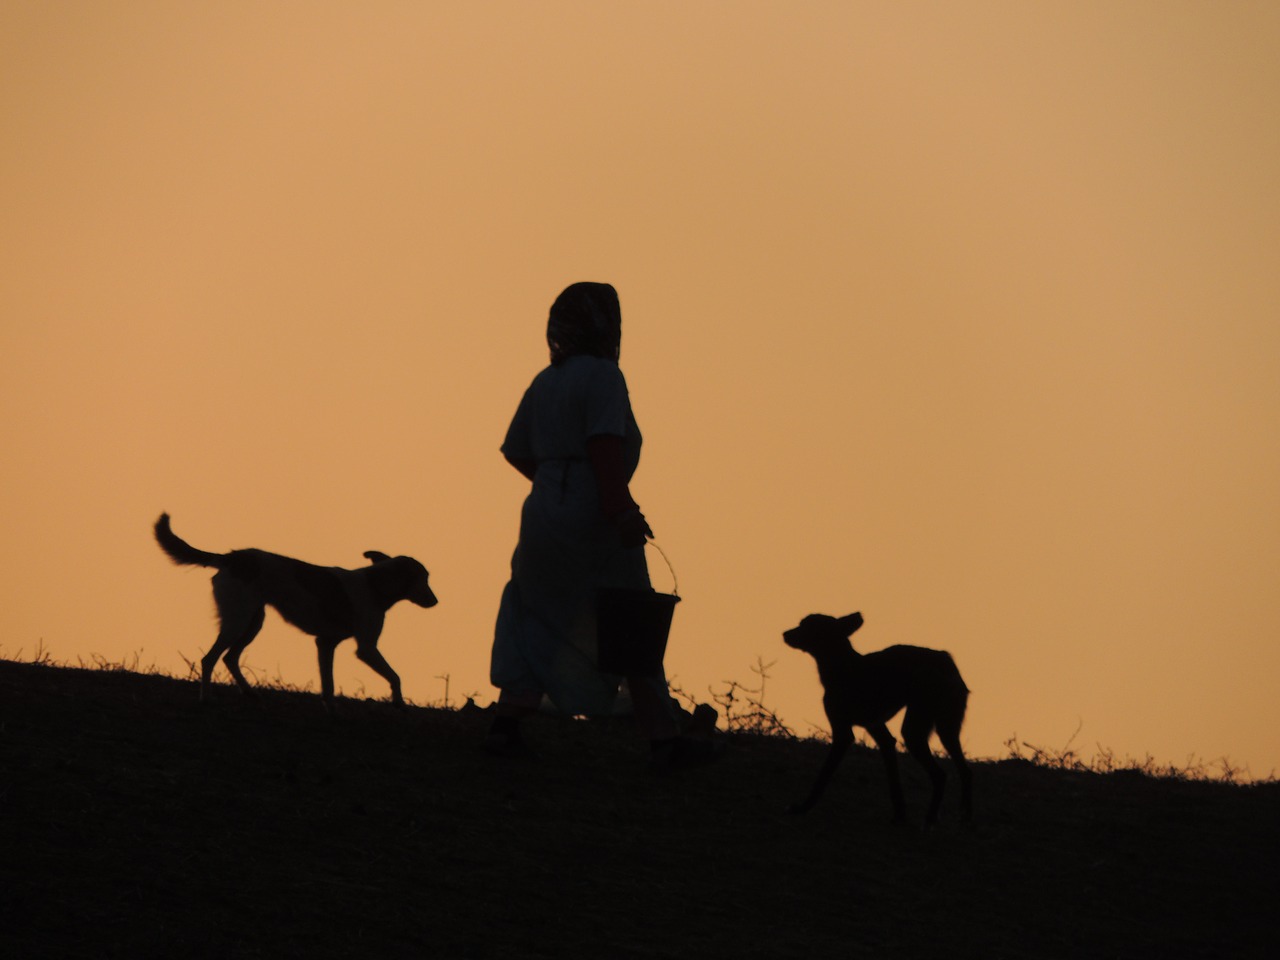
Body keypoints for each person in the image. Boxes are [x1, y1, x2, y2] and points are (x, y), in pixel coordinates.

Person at [488, 282, 712, 766]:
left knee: (534, 608)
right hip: (594, 509)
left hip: (543, 510)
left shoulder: (545, 381)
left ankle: (509, 720)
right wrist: (620, 510)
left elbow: (516, 449)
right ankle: (662, 740)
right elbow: (604, 446)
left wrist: (554, 484)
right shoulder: (604, 377)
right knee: (631, 617)